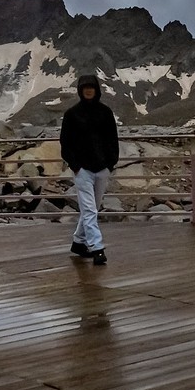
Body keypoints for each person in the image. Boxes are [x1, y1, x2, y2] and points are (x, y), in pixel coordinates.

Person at [59, 74, 119, 265]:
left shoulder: (106, 112)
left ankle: (78, 242)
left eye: (91, 87)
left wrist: (111, 163)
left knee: (91, 209)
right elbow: (65, 142)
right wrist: (75, 166)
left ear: (97, 89)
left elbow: (112, 139)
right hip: (82, 170)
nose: (88, 90)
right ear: (80, 90)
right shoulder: (71, 114)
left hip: (102, 168)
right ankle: (97, 248)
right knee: (90, 209)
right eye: (85, 87)